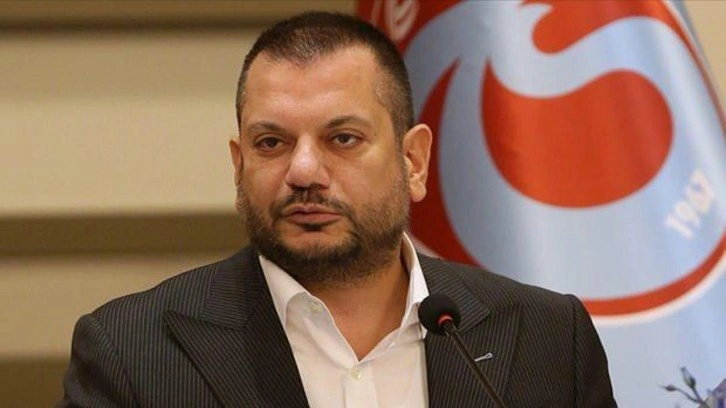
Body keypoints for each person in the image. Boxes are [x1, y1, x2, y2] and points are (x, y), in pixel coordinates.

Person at [59, 11, 616, 408]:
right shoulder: (132, 352)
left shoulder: (548, 338)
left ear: (413, 161)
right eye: (271, 143)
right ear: (239, 165)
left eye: (342, 139)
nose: (303, 172)